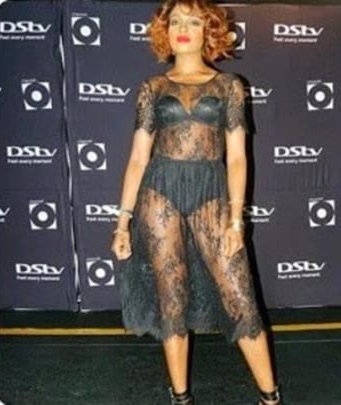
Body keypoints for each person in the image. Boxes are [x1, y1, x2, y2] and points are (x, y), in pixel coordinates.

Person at [110, 0, 279, 403]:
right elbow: (138, 158)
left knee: (240, 298)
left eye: (193, 21)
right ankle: (180, 397)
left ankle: (271, 397)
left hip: (211, 195)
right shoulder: (152, 88)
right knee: (172, 301)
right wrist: (122, 222)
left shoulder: (228, 86)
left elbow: (237, 158)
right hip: (159, 194)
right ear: (165, 31)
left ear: (209, 31)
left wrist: (236, 221)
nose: (182, 28)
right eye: (175, 21)